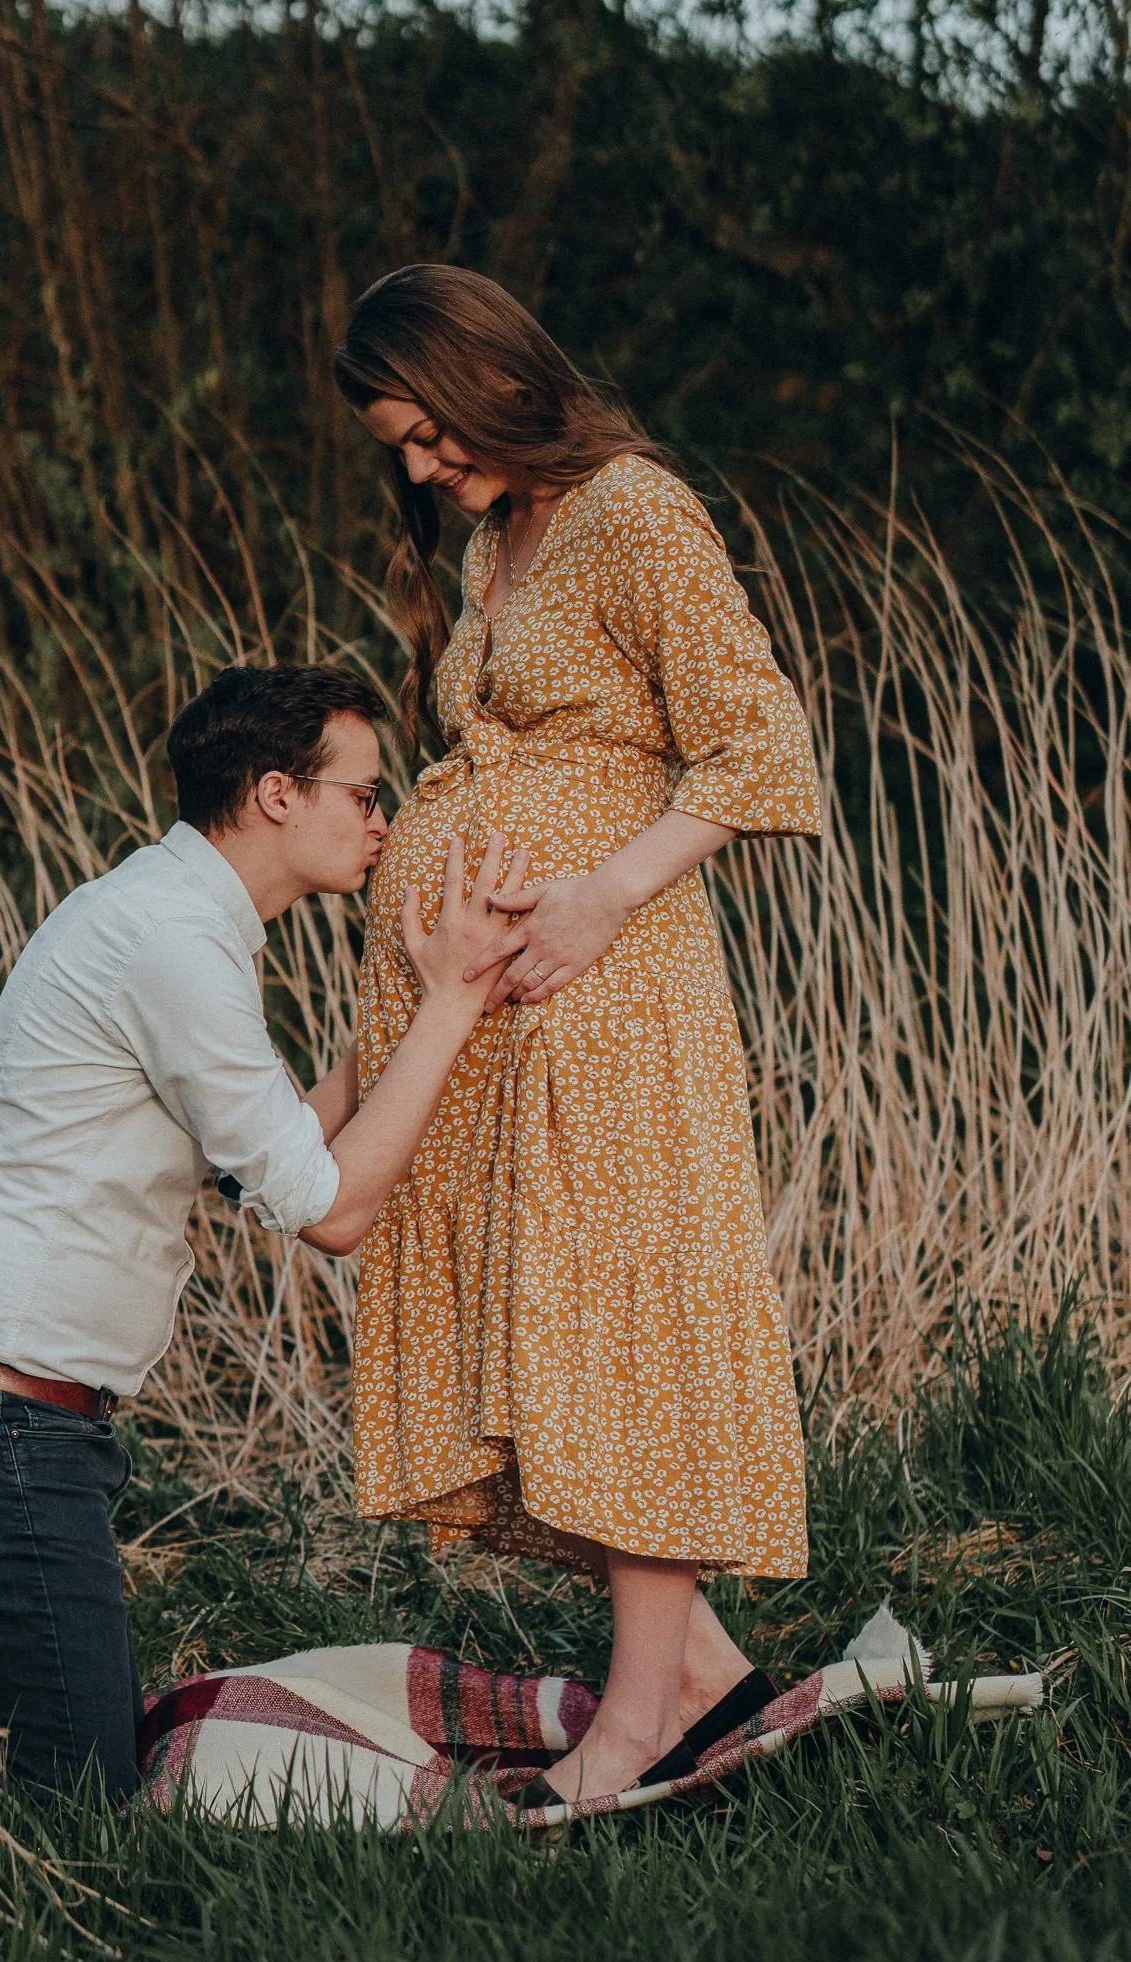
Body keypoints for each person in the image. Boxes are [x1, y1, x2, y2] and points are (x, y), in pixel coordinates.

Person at [0, 660, 527, 1804]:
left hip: (3, 1409)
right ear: (276, 793)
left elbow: (265, 1158)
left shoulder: (172, 916)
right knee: (77, 1789)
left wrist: (412, 1014)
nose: (384, 821)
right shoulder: (171, 938)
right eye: (363, 795)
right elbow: (334, 1210)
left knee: (57, 1738)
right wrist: (456, 1003)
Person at [333, 266, 824, 1814]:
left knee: (622, 1323)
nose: (416, 469)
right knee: (551, 1332)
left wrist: (607, 894)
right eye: (396, 447)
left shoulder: (629, 512)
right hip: (509, 1013)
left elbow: (760, 738)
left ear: (488, 381)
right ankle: (700, 1680)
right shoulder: (496, 542)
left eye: (425, 432)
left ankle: (630, 1728)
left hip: (608, 995)